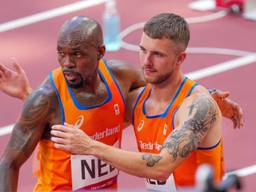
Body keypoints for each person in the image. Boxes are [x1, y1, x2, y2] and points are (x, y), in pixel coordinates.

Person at [0, 15, 243, 191]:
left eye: (157, 54)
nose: (146, 61)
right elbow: (80, 116)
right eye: (142, 50)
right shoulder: (138, 102)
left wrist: (207, 98)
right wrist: (30, 95)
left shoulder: (193, 106)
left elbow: (161, 166)